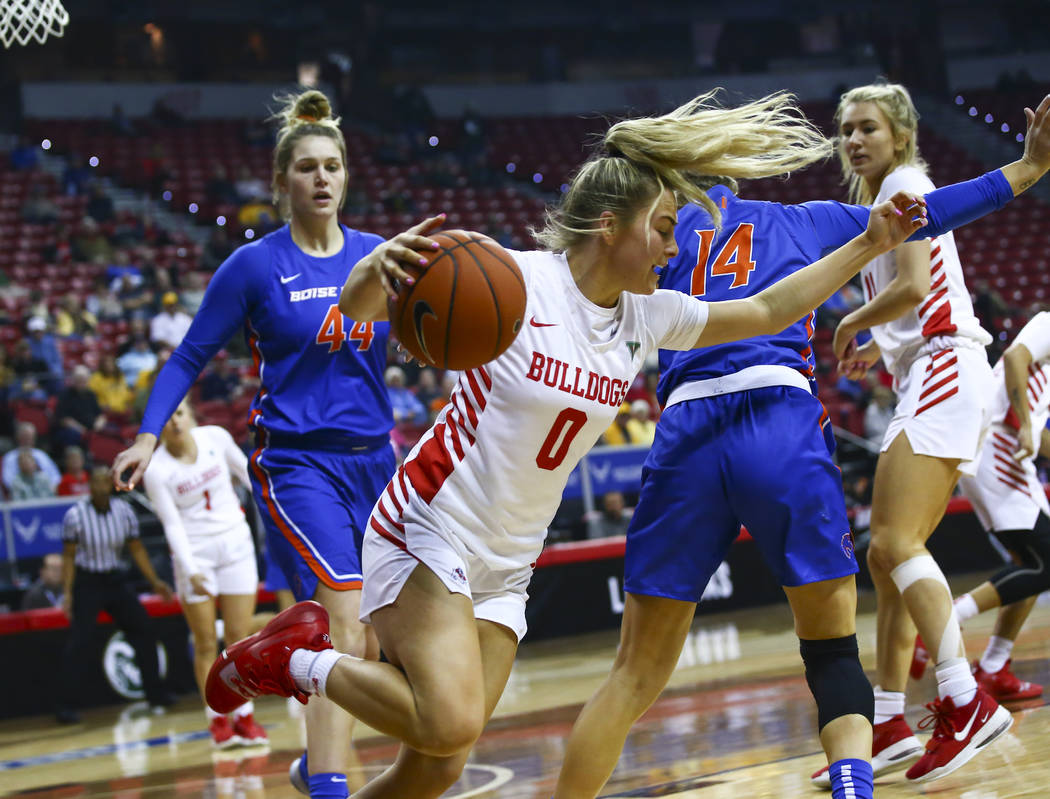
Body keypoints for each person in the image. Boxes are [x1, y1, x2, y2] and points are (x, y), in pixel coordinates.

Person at [202, 89, 932, 799]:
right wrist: (366, 278)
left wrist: (870, 242)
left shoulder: (647, 316)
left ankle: (311, 664)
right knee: (449, 718)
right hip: (431, 524)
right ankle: (299, 657)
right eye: (665, 228)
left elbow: (770, 306)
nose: (676, 248)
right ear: (611, 226)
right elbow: (366, 314)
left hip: (510, 559)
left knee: (439, 761)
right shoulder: (513, 280)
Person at [548, 89, 1050, 799]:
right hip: (778, 422)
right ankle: (860, 777)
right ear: (735, 173)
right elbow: (930, 218)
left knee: (632, 674)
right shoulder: (803, 220)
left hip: (687, 427)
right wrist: (1027, 171)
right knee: (830, 646)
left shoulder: (660, 232)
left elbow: (582, 276)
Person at [110, 88, 400, 799]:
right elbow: (186, 357)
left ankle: (284, 683)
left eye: (333, 166)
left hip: (378, 459)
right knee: (345, 620)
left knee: (379, 640)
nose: (323, 178)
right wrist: (149, 434)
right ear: (282, 182)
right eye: (307, 167)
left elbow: (426, 341)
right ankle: (328, 783)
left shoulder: (379, 257)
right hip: (298, 461)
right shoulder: (254, 265)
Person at [830, 84, 1050, 783]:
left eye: (868, 127)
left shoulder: (902, 181)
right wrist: (881, 340)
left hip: (947, 366)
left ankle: (965, 699)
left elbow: (916, 284)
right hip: (923, 369)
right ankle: (890, 717)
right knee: (886, 559)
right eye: (845, 130)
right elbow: (909, 296)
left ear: (899, 134)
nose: (854, 140)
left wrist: (850, 323)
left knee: (894, 544)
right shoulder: (883, 196)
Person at [915, 311, 1050, 702]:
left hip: (1007, 450)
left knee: (1030, 565)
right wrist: (1026, 424)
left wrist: (1029, 427)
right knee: (1043, 562)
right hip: (997, 446)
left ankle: (994, 666)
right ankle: (945, 621)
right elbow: (1013, 358)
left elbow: (1036, 429)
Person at [143, 399, 267, 747]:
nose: (174, 423)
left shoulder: (215, 438)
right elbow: (172, 525)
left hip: (236, 545)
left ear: (191, 415)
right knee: (205, 643)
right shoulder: (157, 470)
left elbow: (250, 476)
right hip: (195, 554)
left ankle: (244, 717)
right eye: (166, 419)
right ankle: (217, 720)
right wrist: (190, 567)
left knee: (239, 638)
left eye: (179, 413)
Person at [57, 466, 176, 724]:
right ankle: (67, 705)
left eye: (104, 482)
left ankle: (155, 694)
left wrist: (155, 581)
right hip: (87, 581)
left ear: (111, 485)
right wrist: (67, 593)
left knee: (143, 630)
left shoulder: (124, 512)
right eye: (96, 482)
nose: (100, 487)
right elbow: (67, 557)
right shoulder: (75, 516)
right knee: (80, 641)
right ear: (90, 486)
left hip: (114, 578)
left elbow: (137, 549)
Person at [54, 364, 107, 449]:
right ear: (73, 380)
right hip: (73, 429)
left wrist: (99, 424)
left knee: (109, 432)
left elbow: (100, 414)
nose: (82, 383)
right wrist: (82, 430)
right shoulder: (65, 395)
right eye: (79, 380)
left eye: (84, 380)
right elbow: (64, 419)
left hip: (91, 428)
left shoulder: (91, 394)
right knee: (71, 435)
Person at [2, 421, 60, 494]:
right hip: (22, 496)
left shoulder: (41, 455)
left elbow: (55, 476)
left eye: (31, 436)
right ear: (18, 437)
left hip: (45, 494)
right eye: (25, 436)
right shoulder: (10, 457)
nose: (28, 439)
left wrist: (50, 487)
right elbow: (7, 480)